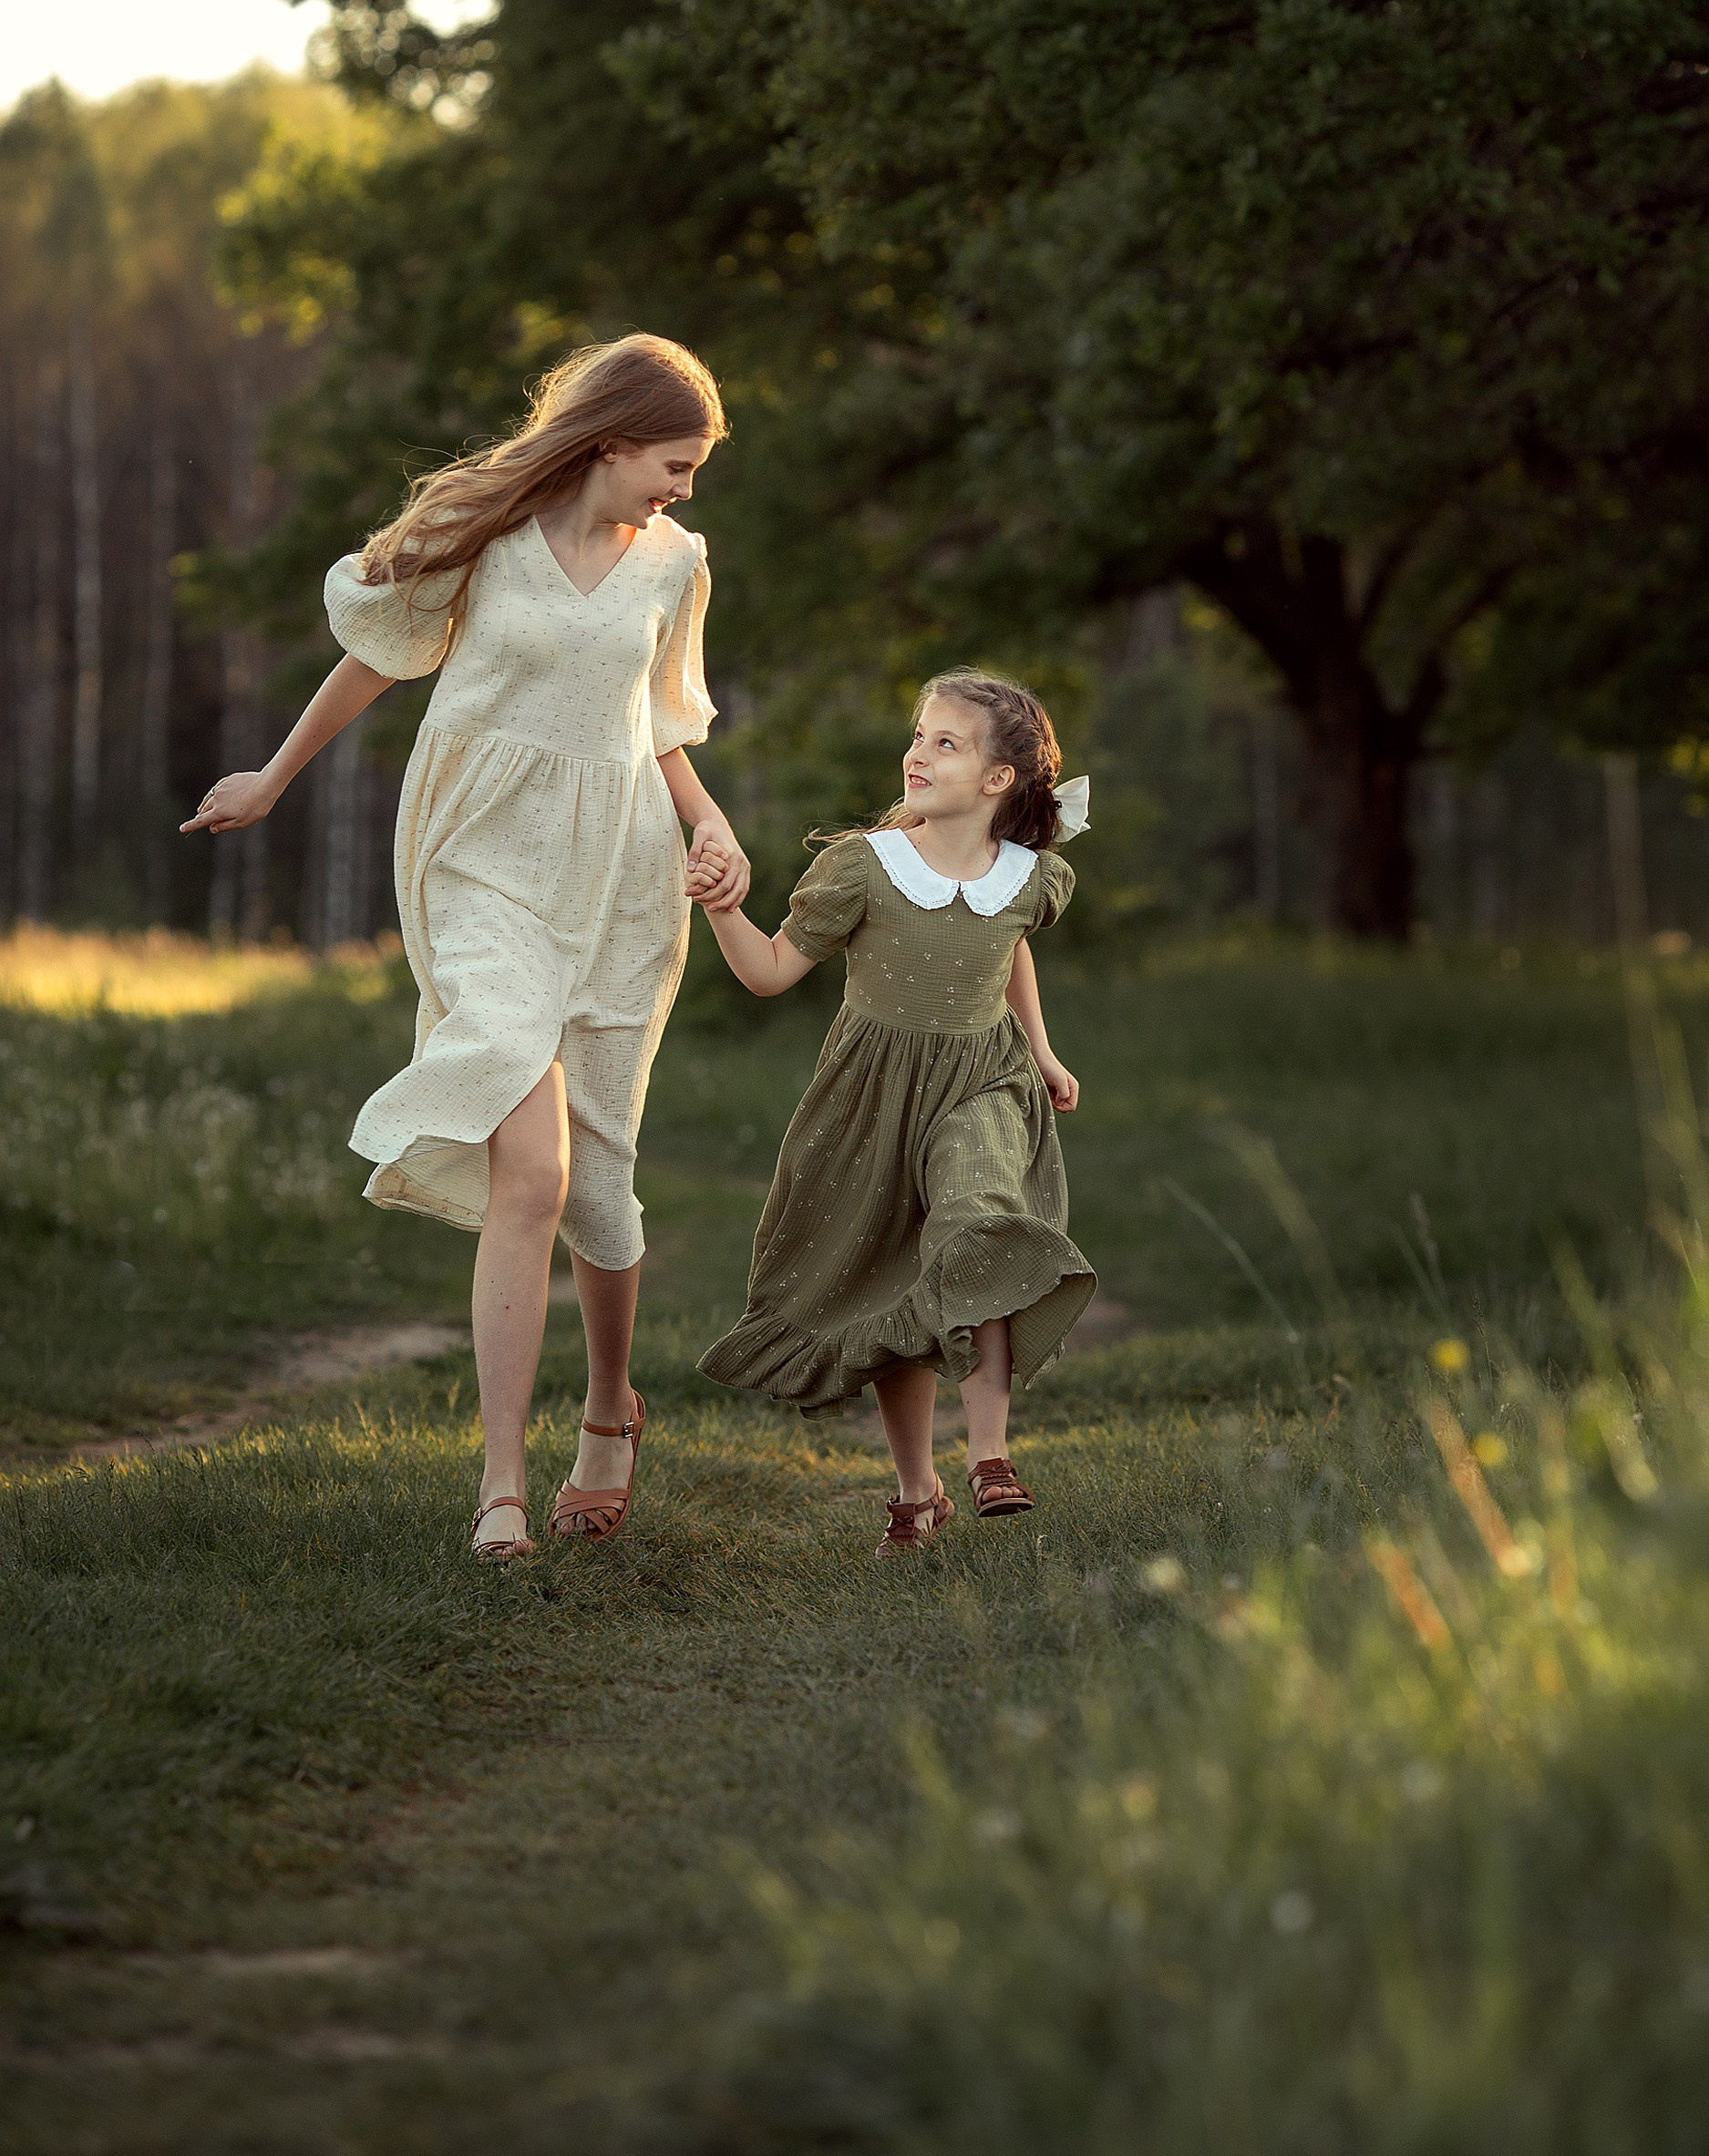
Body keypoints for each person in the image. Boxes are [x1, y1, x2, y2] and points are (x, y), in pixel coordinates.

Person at [181, 334, 750, 1560]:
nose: (684, 488)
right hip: (481, 857)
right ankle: (499, 1487)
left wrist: (714, 834)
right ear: (609, 443)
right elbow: (375, 659)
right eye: (676, 462)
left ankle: (609, 1409)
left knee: (596, 1180)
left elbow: (659, 727)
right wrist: (274, 778)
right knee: (526, 1163)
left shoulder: (673, 566)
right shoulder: (490, 543)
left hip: (619, 876)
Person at [695, 669, 1096, 1555]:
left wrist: (1039, 1049)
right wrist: (722, 908)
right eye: (918, 736)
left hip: (981, 1086)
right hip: (873, 1101)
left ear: (997, 780)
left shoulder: (1027, 877)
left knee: (977, 1227)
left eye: (944, 742)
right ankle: (918, 1489)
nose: (917, 753)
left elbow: (1006, 949)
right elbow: (765, 973)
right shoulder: (863, 869)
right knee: (892, 1288)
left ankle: (988, 1454)